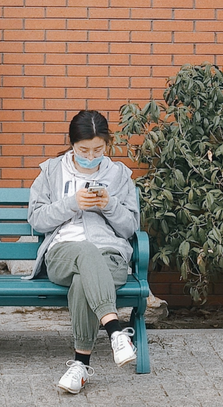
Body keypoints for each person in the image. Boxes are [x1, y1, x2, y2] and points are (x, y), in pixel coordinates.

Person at [26, 110, 140, 394]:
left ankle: (80, 366)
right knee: (85, 252)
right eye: (83, 150)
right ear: (72, 144)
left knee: (82, 280)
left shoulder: (119, 175)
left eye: (98, 150)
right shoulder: (52, 171)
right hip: (63, 253)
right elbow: (37, 220)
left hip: (110, 255)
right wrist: (72, 203)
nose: (91, 156)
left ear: (107, 145)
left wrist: (109, 205)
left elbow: (130, 227)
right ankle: (115, 332)